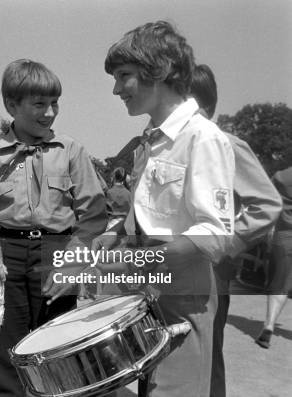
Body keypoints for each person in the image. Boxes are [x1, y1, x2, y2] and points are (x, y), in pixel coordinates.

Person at [99, 21, 235, 396]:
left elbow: (214, 235)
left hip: (183, 301)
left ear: (158, 71)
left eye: (123, 76)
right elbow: (148, 210)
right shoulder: (153, 140)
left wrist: (136, 263)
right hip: (145, 296)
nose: (116, 88)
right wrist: (115, 234)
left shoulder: (202, 138)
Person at [0, 59, 108, 396]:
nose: (50, 112)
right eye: (39, 104)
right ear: (12, 105)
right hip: (5, 255)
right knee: (7, 348)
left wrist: (71, 264)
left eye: (54, 103)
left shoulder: (71, 150)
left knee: (57, 348)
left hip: (57, 252)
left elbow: (94, 215)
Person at [191, 63, 282, 396]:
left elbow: (265, 206)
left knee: (205, 359)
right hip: (167, 269)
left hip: (209, 270)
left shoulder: (225, 144)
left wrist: (223, 246)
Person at [255, 165, 292, 349]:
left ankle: (269, 326)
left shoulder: (280, 176)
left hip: (284, 236)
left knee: (280, 284)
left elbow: (266, 203)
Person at [105, 166, 131, 231]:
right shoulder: (128, 193)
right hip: (125, 225)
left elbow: (106, 211)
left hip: (112, 224)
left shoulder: (109, 192)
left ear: (114, 176)